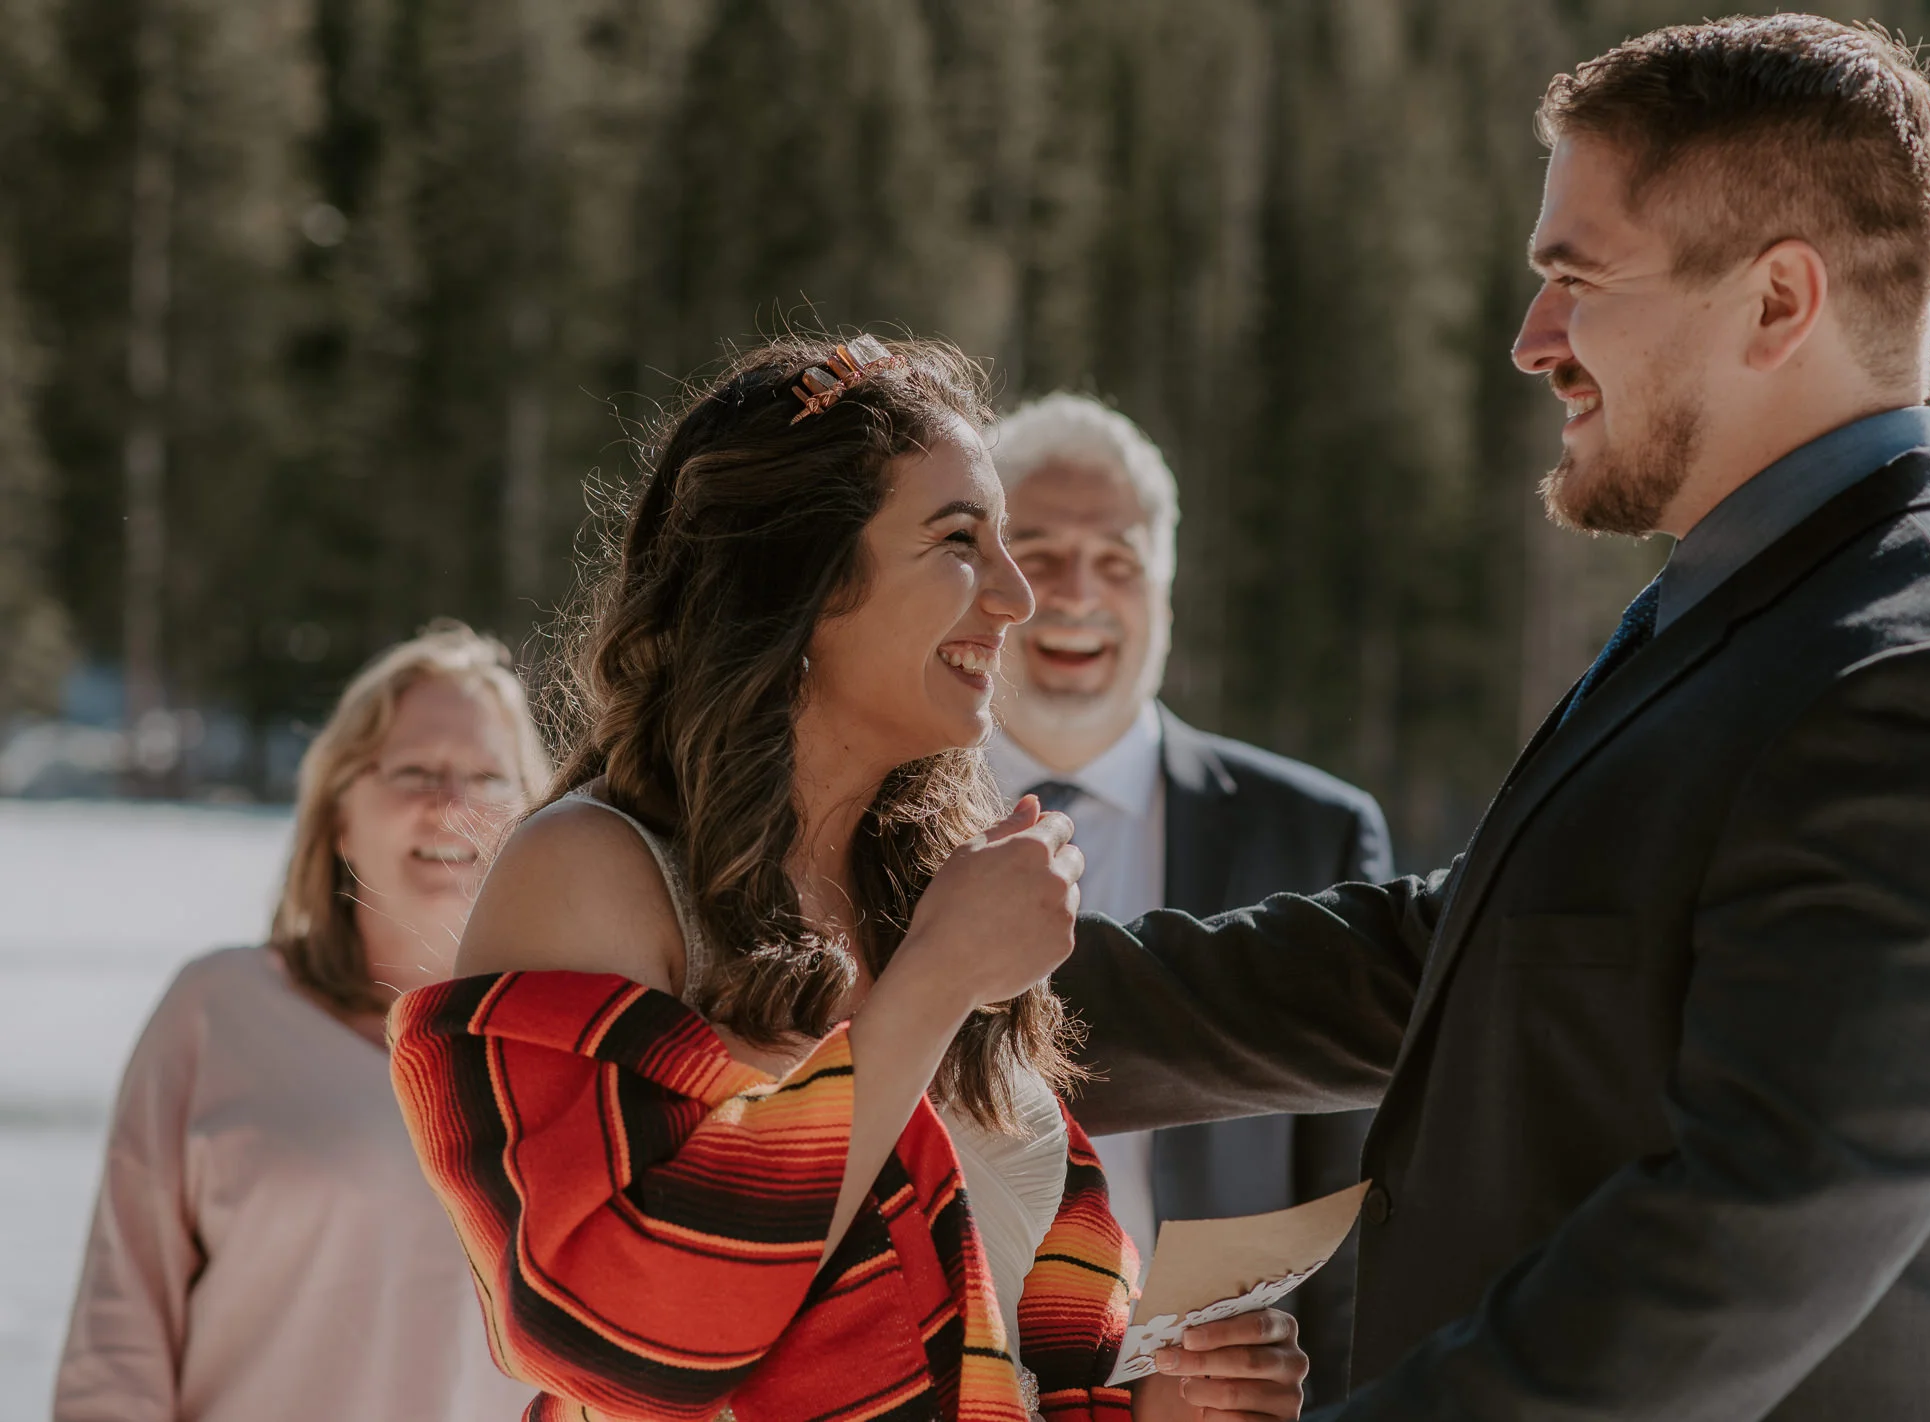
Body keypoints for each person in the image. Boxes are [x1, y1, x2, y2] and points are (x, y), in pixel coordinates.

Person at [1040, 17, 1930, 1419]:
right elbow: (1466, 961)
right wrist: (972, 1003)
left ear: (1778, 301)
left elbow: (1735, 1251)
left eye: (1575, 279)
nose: (1531, 343)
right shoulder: (1737, 610)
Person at [386, 334, 1309, 1422]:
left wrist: (1164, 1402)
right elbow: (615, 1329)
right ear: (804, 582)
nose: (1017, 598)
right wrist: (934, 980)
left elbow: (1013, 1346)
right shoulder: (597, 875)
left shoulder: (927, 892)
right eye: (962, 541)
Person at [985, 392, 1392, 1401]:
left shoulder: (1314, 835)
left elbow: (1364, 1201)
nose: (1076, 589)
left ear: (1163, 594)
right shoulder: (869, 821)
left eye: (1116, 561)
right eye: (1035, 552)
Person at [54, 621, 551, 1422]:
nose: (451, 805)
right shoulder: (219, 1011)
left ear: (535, 822)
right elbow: (119, 1335)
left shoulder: (577, 1044)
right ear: (341, 816)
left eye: (489, 778)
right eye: (415, 770)